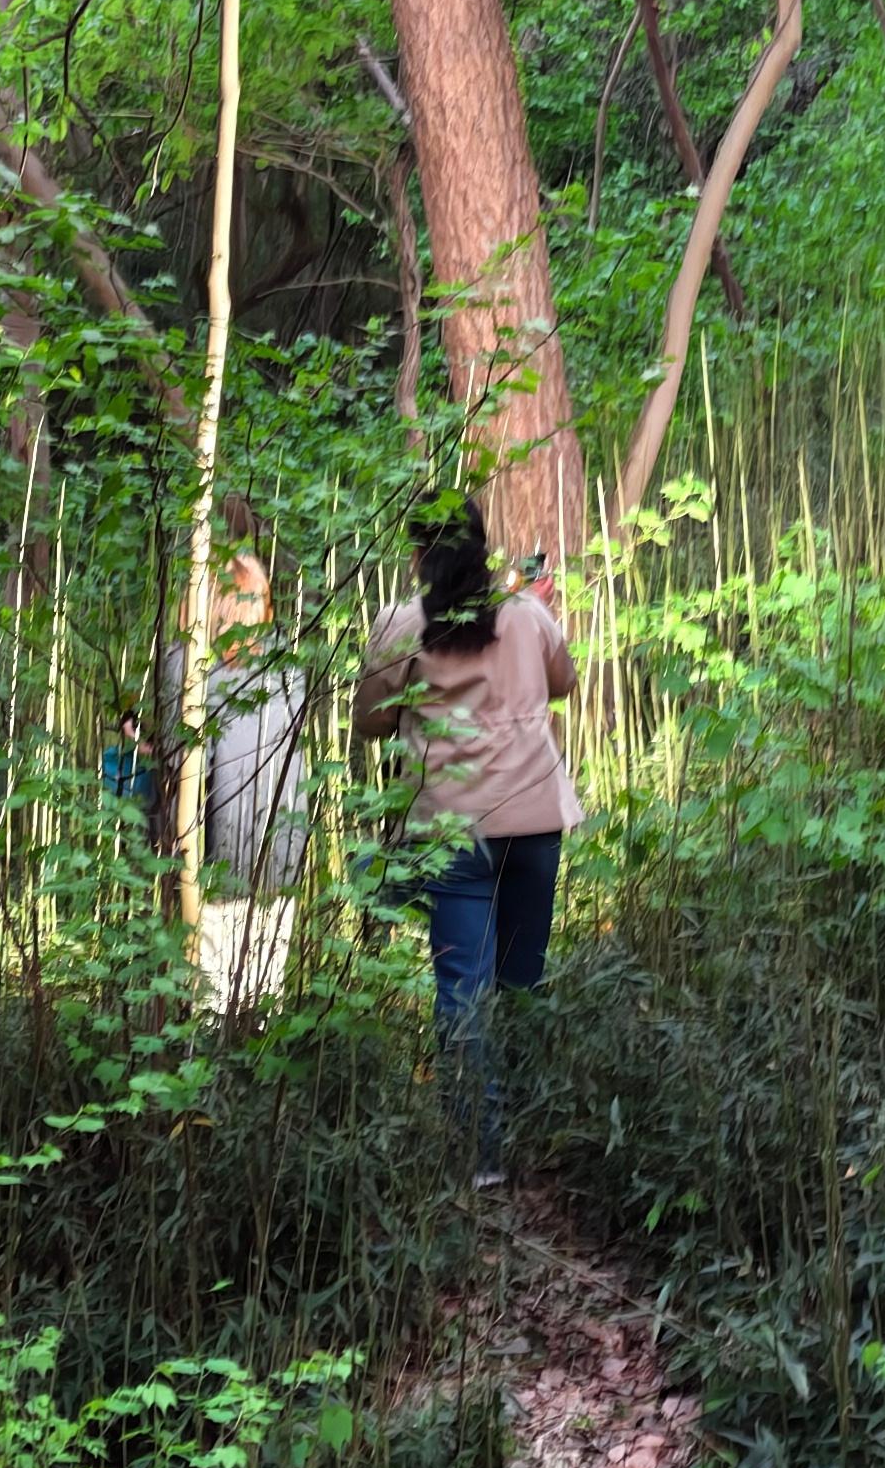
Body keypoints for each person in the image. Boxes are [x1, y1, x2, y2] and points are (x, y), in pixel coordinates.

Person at [352, 495, 580, 1165]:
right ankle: (538, 1132)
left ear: (418, 555)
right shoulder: (528, 614)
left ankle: (479, 1153)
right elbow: (563, 683)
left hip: (453, 829)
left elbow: (370, 720)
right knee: (521, 982)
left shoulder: (403, 624)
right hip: (536, 820)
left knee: (462, 992)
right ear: (483, 546)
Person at [157, 547, 311, 1021]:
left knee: (212, 1009)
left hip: (212, 857)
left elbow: (177, 762)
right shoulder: (290, 667)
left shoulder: (187, 665)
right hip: (282, 846)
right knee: (263, 1005)